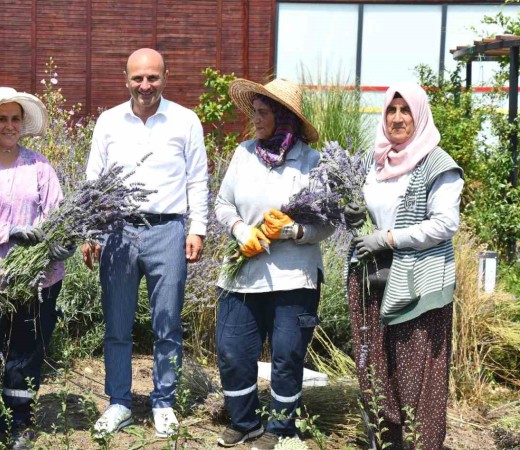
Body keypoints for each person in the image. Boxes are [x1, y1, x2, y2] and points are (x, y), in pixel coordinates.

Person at [82, 48, 209, 437]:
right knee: (117, 324)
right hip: (118, 232)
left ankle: (164, 403)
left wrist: (197, 228)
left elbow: (197, 178)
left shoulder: (185, 121)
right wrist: (91, 231)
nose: (145, 85)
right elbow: (93, 179)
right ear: (126, 79)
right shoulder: (108, 122)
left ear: (165, 78)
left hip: (167, 231)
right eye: (138, 78)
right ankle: (119, 401)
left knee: (167, 323)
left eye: (153, 77)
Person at [213, 77, 332, 450]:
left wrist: (294, 230)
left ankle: (280, 428)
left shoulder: (312, 162)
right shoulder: (243, 153)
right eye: (254, 111)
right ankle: (245, 422)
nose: (256, 119)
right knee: (233, 350)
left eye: (263, 112)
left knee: (287, 356)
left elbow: (328, 222)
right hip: (243, 273)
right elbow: (223, 204)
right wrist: (240, 230)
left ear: (284, 117)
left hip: (294, 278)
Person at [344, 82, 463, 450]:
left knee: (417, 376)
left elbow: (444, 224)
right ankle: (387, 442)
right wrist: (354, 217)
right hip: (372, 278)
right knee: (376, 371)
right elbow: (370, 212)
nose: (397, 118)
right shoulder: (376, 160)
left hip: (417, 285)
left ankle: (420, 445)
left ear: (420, 115)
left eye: (405, 110)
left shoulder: (437, 163)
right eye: (391, 110)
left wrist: (388, 238)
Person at [0, 86, 72, 449]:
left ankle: (18, 422)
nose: (9, 126)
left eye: (15, 119)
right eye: (1, 118)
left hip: (36, 277)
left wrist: (60, 241)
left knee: (26, 350)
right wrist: (10, 231)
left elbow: (57, 212)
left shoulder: (39, 166)